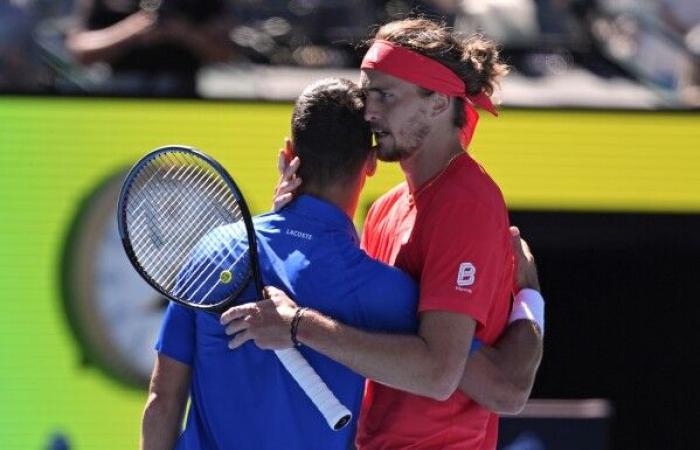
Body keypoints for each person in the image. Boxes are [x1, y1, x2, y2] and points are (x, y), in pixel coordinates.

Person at [221, 18, 544, 449]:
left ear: (437, 103)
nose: (368, 111)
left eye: (385, 95)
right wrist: (294, 219)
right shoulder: (386, 207)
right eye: (366, 93)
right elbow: (355, 323)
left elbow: (438, 373)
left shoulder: (467, 202)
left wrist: (298, 326)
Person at [66, 0, 233, 97]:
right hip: (120, 99)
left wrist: (183, 33)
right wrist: (132, 30)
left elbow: (226, 54)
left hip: (181, 100)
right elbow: (80, 51)